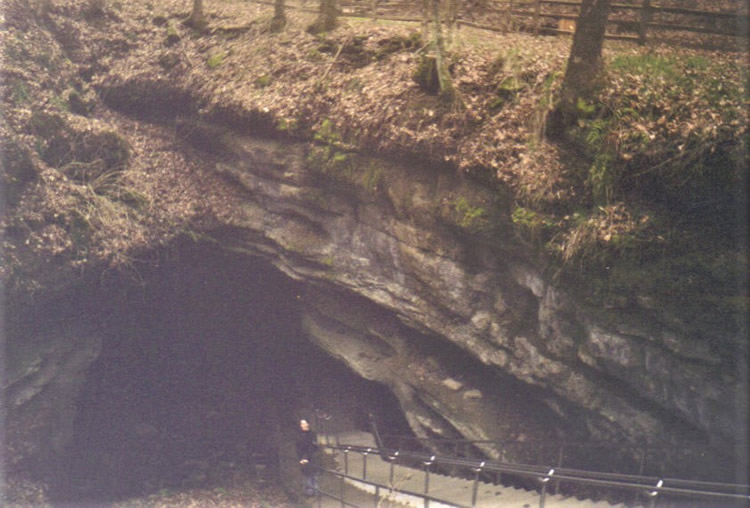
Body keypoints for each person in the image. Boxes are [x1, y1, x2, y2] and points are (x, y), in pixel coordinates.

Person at [295, 418, 318, 496]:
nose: (303, 425)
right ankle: (309, 492)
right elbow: (298, 447)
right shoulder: (299, 435)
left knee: (313, 474)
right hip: (303, 457)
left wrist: (307, 457)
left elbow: (313, 447)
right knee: (306, 475)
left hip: (312, 457)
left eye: (304, 423)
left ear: (308, 424)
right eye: (302, 424)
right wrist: (301, 458)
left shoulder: (312, 434)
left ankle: (315, 491)